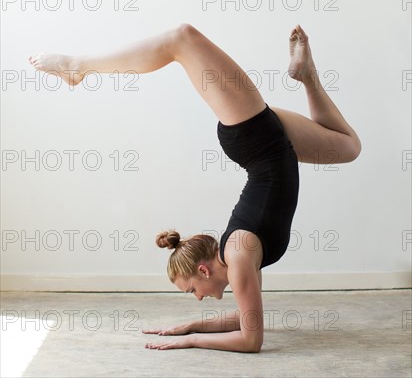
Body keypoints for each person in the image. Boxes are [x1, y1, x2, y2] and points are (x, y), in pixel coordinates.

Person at [28, 23, 361, 352]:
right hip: (270, 141)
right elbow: (248, 325)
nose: (199, 298)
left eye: (192, 291)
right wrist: (189, 325)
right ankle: (307, 76)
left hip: (256, 138)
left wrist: (190, 341)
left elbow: (249, 338)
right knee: (347, 147)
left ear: (203, 269)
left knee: (182, 38)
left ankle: (77, 67)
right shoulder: (240, 257)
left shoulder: (240, 254)